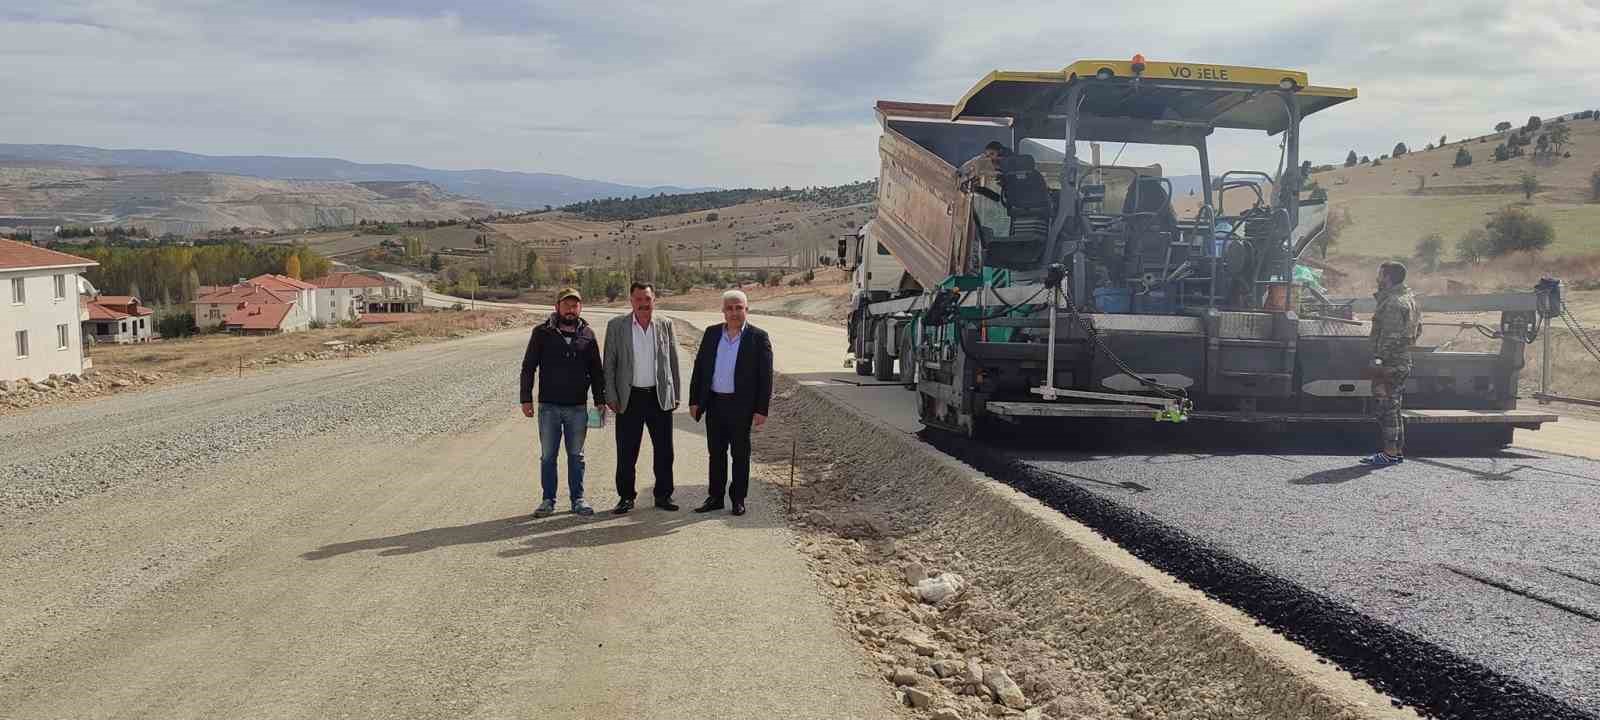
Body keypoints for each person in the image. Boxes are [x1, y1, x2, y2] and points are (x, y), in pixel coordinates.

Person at [519, 287, 605, 517]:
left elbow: (597, 371)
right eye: (566, 304)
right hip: (549, 407)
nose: (570, 309)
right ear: (557, 307)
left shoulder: (588, 335)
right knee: (548, 456)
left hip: (577, 407)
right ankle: (548, 500)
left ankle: (578, 499)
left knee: (576, 456)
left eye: (575, 305)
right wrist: (526, 398)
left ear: (580, 308)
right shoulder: (542, 333)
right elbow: (528, 367)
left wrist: (600, 400)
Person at [688, 290, 774, 516]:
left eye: (739, 308)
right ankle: (715, 497)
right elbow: (700, 369)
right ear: (723, 311)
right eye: (730, 308)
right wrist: (695, 400)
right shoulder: (711, 333)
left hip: (741, 406)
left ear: (747, 309)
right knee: (715, 453)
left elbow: (765, 378)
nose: (734, 312)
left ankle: (738, 499)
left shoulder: (758, 338)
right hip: (715, 403)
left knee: (740, 454)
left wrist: (761, 409)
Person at [604, 282, 682, 514]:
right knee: (627, 452)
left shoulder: (665, 324)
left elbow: (673, 361)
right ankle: (626, 497)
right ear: (631, 301)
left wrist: (675, 392)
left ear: (653, 300)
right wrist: (611, 394)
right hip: (630, 398)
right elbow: (609, 364)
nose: (643, 304)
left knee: (665, 451)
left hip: (658, 397)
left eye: (647, 299)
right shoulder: (617, 326)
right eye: (639, 299)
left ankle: (663, 495)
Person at [1360, 261, 1421, 466]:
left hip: (1390, 363)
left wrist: (1379, 360)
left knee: (1386, 407)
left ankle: (1389, 453)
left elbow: (1391, 337)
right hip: (1401, 360)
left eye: (1380, 274)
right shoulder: (1409, 298)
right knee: (1393, 406)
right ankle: (1395, 452)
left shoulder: (1394, 303)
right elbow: (1417, 330)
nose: (1377, 278)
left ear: (1387, 277)